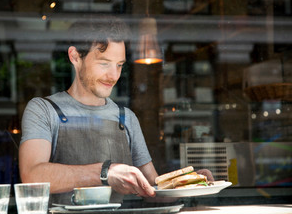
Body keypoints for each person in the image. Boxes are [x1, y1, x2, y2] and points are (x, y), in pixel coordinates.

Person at [19, 16, 213, 204]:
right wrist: (106, 173)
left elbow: (153, 190)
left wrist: (188, 184)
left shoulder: (126, 118)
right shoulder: (43, 110)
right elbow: (33, 176)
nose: (113, 76)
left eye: (119, 65)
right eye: (104, 63)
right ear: (75, 56)